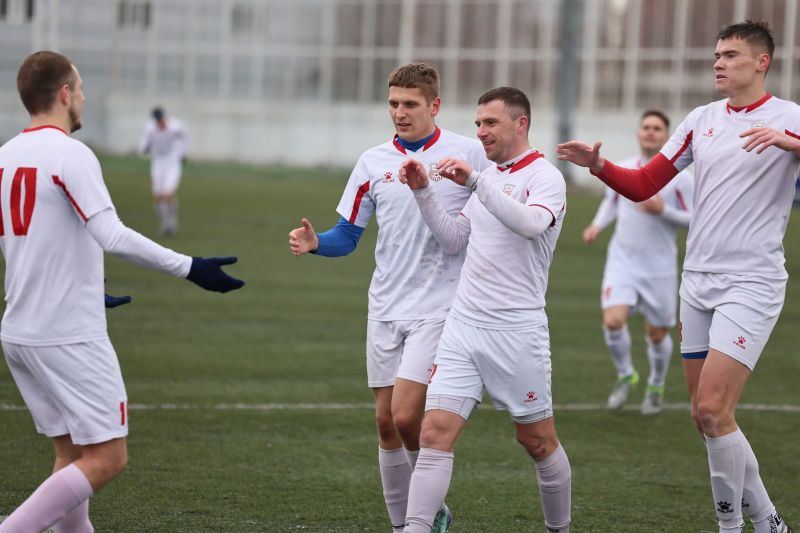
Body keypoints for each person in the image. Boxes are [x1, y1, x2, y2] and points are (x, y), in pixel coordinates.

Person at [557, 20, 794, 533]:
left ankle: (732, 527)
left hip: (751, 283)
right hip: (697, 281)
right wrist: (599, 166)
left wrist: (790, 142)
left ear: (762, 62)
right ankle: (769, 521)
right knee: (705, 416)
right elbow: (644, 183)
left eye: (731, 55)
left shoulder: (789, 117)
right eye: (717, 55)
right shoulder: (700, 119)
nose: (719, 63)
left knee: (713, 409)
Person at [0, 50, 244, 533]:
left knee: (73, 454)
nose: (83, 97)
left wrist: (83, 286)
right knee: (108, 457)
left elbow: (25, 240)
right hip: (66, 333)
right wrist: (189, 266)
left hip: (20, 331)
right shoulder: (71, 154)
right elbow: (111, 234)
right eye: (81, 88)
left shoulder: (6, 155)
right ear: (64, 93)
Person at [288, 63, 490, 532]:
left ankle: (424, 506)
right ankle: (413, 522)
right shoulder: (372, 162)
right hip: (384, 306)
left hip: (439, 307)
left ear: (434, 105)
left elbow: (493, 206)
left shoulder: (467, 153)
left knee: (405, 415)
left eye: (410, 104)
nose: (400, 112)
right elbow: (348, 234)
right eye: (394, 104)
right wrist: (317, 242)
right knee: (385, 424)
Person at [398, 87, 571, 533]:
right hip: (463, 326)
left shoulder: (545, 177)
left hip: (516, 332)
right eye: (477, 123)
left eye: (490, 122)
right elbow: (456, 239)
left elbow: (531, 225)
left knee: (537, 441)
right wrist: (424, 193)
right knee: (434, 432)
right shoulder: (489, 177)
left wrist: (476, 181)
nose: (480, 132)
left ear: (521, 123)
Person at [581, 110, 694, 414]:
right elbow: (611, 201)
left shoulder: (681, 179)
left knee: (656, 335)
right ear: (638, 133)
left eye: (657, 128)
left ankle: (656, 384)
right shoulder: (623, 169)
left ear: (667, 136)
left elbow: (697, 220)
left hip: (659, 268)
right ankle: (625, 374)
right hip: (622, 262)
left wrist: (663, 211)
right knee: (613, 321)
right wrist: (597, 225)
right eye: (646, 127)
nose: (650, 132)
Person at [139, 106, 188, 236]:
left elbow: (184, 137)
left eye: (161, 119)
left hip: (172, 163)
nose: (160, 122)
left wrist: (183, 153)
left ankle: (172, 222)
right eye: (157, 120)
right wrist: (145, 148)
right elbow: (143, 147)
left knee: (167, 194)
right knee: (158, 197)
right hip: (158, 165)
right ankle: (165, 224)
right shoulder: (150, 129)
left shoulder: (175, 126)